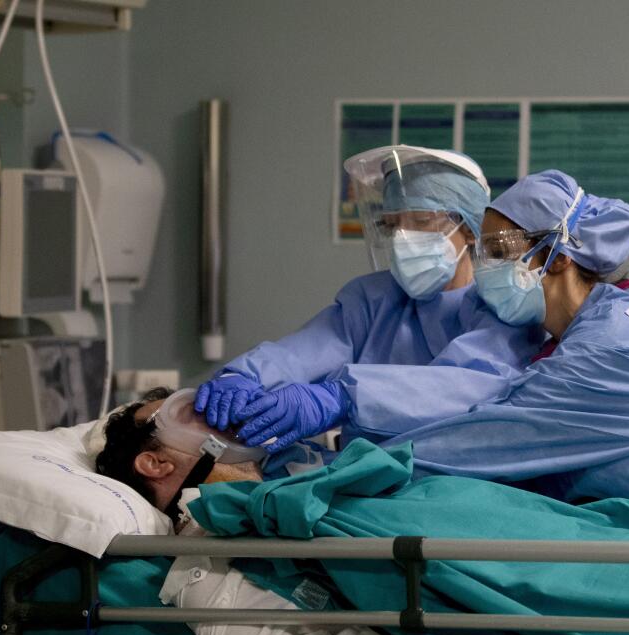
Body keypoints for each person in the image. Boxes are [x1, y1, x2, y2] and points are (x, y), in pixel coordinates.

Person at [354, 169, 629, 544]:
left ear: (558, 258)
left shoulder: (606, 348)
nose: (485, 269)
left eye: (500, 253)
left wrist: (351, 468)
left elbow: (486, 439)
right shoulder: (616, 320)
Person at [95, 388, 534, 635]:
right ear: (155, 464)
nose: (215, 414)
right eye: (187, 413)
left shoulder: (302, 475)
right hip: (502, 606)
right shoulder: (209, 565)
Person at [194, 145, 546, 449]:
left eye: (421, 220)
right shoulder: (374, 298)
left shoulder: (502, 306)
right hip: (361, 480)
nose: (402, 238)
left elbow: (471, 385)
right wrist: (241, 377)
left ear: (470, 229)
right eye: (392, 225)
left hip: (454, 482)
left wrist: (346, 395)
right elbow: (305, 351)